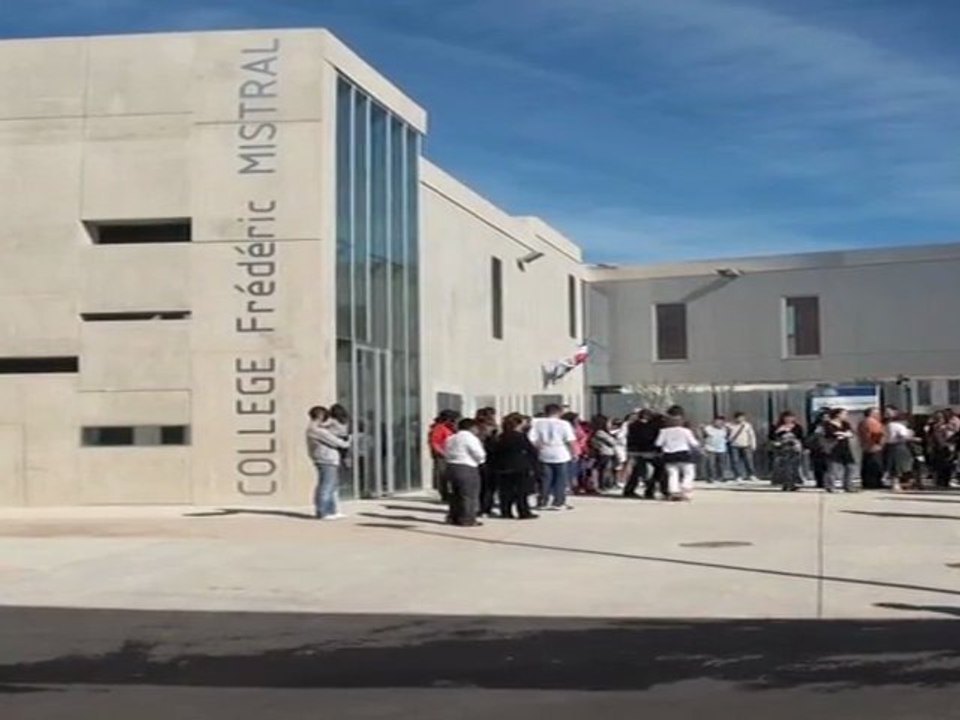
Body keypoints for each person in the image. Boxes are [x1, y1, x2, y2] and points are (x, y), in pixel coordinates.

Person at [488, 413, 540, 519]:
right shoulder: (520, 436)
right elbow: (531, 451)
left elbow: (494, 451)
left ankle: (506, 511)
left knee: (505, 491)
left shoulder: (501, 436)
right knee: (522, 491)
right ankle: (523, 512)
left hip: (503, 466)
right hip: (520, 466)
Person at [529, 403, 577, 510]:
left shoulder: (537, 423)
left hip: (544, 451)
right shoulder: (564, 424)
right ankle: (558, 502)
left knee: (545, 479)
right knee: (560, 479)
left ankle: (543, 501)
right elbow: (570, 440)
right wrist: (574, 452)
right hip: (560, 452)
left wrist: (538, 447)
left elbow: (532, 439)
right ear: (558, 412)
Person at [305, 406, 351, 519]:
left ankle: (331, 510)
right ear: (320, 416)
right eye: (325, 415)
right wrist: (349, 440)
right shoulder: (317, 430)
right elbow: (338, 443)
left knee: (331, 485)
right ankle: (323, 511)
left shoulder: (316, 429)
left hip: (327, 459)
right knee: (326, 485)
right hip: (326, 459)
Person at [443, 418, 487, 526]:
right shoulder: (470, 438)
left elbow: (446, 451)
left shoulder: (451, 438)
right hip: (467, 466)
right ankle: (467, 519)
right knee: (468, 495)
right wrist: (481, 461)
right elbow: (479, 454)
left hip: (451, 466)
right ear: (472, 427)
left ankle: (453, 517)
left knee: (455, 495)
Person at [655, 414, 701, 501]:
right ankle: (685, 488)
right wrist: (699, 449)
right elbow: (694, 443)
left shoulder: (664, 431)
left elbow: (658, 443)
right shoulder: (685, 431)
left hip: (669, 455)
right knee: (689, 473)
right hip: (683, 453)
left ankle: (674, 491)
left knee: (672, 474)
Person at [623, 409, 663, 498]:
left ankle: (629, 490)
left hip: (636, 451)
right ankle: (650, 490)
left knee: (637, 471)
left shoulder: (633, 425)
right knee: (658, 470)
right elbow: (651, 438)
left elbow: (630, 438)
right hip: (650, 451)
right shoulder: (653, 426)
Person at [823, 408, 857, 493]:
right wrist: (844, 434)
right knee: (833, 468)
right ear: (838, 414)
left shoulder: (845, 424)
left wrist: (842, 434)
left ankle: (848, 485)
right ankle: (831, 486)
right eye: (844, 414)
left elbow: (851, 433)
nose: (846, 416)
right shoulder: (828, 424)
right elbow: (832, 434)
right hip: (833, 447)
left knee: (850, 466)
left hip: (845, 447)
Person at [769, 411, 805, 491]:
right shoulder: (777, 427)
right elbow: (771, 437)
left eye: (791, 417)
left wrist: (802, 446)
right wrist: (778, 432)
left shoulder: (797, 427)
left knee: (794, 467)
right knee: (784, 467)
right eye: (786, 417)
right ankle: (786, 484)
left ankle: (793, 483)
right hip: (782, 449)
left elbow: (801, 437)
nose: (789, 419)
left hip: (795, 448)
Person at [428, 410, 459, 502]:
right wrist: (443, 453)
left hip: (450, 455)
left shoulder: (450, 428)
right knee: (443, 476)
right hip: (442, 456)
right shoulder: (439, 428)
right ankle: (444, 494)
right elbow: (435, 442)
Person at [475, 408, 500, 516]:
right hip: (490, 459)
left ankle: (481, 507)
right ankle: (486, 508)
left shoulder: (475, 428)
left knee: (481, 486)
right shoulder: (491, 428)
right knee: (489, 486)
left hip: (477, 460)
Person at [885, 410, 917, 492]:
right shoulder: (899, 426)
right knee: (900, 465)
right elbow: (903, 436)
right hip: (899, 446)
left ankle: (894, 484)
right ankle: (898, 484)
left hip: (890, 446)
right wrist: (913, 437)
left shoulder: (888, 425)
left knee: (893, 465)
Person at [588, 414, 618, 492]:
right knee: (601, 469)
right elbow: (613, 442)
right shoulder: (600, 432)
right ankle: (600, 485)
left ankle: (603, 484)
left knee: (603, 469)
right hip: (604, 452)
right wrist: (613, 437)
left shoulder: (601, 432)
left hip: (607, 452)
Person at [857, 408, 886, 490]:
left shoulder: (862, 422)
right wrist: (881, 442)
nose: (879, 415)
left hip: (866, 447)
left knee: (867, 466)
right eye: (877, 413)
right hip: (874, 447)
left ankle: (867, 482)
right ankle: (874, 483)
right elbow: (876, 434)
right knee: (875, 466)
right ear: (871, 414)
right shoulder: (872, 422)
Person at [727, 412, 758, 482]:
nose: (740, 419)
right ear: (735, 418)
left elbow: (751, 436)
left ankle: (751, 475)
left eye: (742, 417)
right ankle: (738, 476)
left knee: (749, 461)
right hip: (734, 445)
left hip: (746, 445)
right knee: (735, 461)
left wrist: (753, 445)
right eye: (738, 417)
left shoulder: (747, 425)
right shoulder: (730, 425)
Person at [701, 416, 729, 483]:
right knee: (711, 464)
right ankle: (711, 478)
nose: (719, 423)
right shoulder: (708, 428)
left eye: (721, 422)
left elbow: (727, 436)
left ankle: (721, 477)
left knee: (721, 464)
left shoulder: (724, 429)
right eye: (717, 421)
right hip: (710, 449)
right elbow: (703, 435)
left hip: (721, 449)